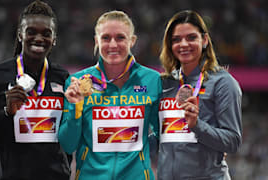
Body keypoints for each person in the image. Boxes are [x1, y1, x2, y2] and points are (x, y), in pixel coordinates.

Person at [58, 10, 162, 180]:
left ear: (132, 41)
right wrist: (75, 109)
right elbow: (68, 145)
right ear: (96, 41)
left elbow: (163, 135)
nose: (113, 45)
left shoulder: (152, 80)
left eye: (120, 37)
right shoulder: (77, 82)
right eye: (106, 38)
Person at [0, 1, 71, 179]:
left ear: (54, 39)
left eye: (46, 33)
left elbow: (69, 136)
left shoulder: (64, 78)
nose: (39, 38)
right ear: (20, 35)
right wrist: (7, 112)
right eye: (31, 32)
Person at [157, 10, 242, 180]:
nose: (183, 44)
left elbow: (232, 141)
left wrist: (197, 125)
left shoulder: (222, 82)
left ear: (204, 40)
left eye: (191, 37)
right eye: (176, 39)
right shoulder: (165, 83)